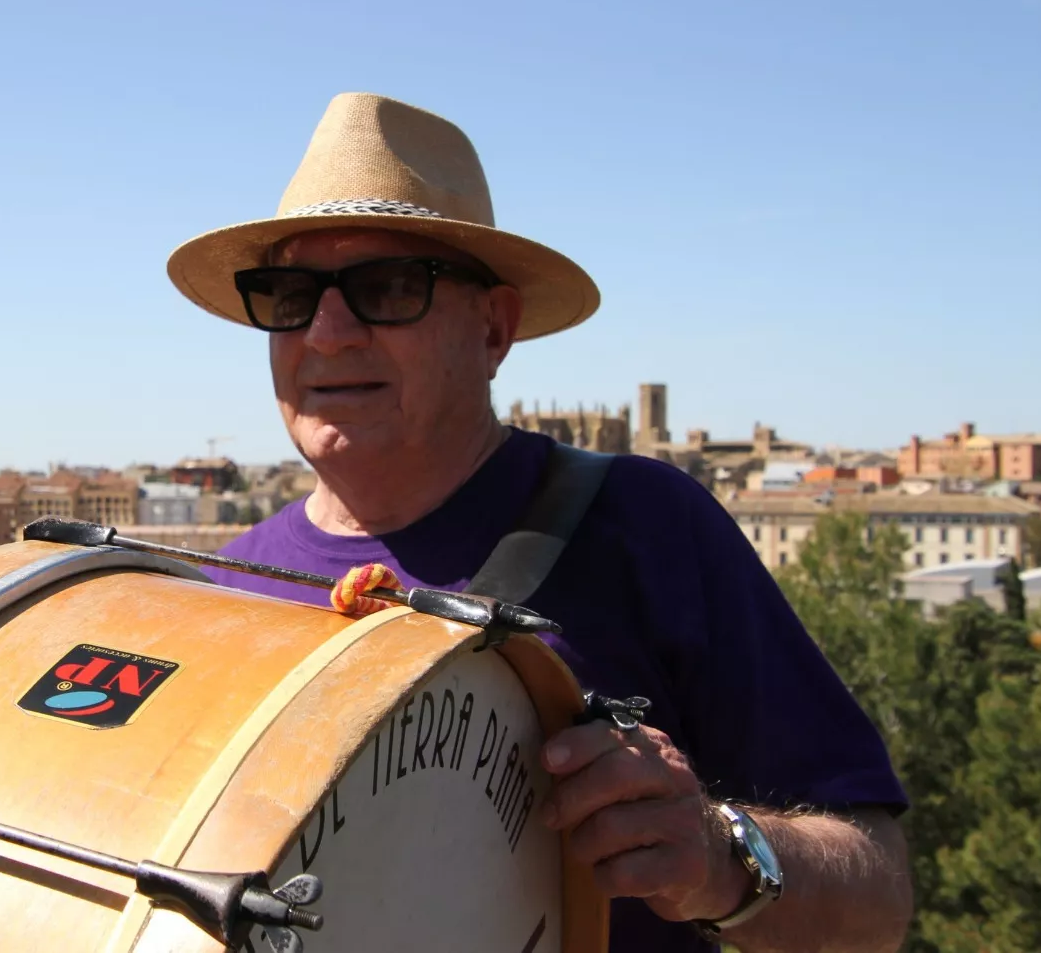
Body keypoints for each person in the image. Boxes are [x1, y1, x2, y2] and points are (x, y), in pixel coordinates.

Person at [164, 93, 914, 952]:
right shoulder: (228, 590)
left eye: (389, 289)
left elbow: (877, 905)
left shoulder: (648, 524)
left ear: (495, 327)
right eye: (290, 294)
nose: (327, 332)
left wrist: (715, 855)